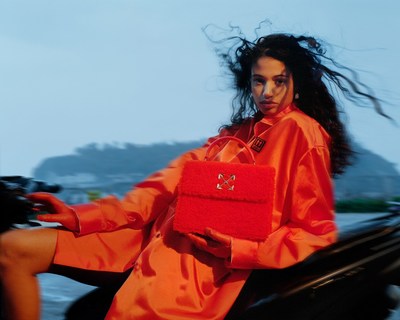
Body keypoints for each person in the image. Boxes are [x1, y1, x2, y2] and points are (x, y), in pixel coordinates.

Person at [0, 29, 385, 319]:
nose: (267, 90)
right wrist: (79, 216)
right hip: (144, 239)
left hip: (199, 264)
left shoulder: (303, 133)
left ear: (296, 84)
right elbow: (157, 191)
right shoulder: (233, 135)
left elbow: (315, 230)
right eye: (259, 80)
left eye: (279, 81)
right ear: (247, 82)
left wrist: (240, 250)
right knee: (10, 250)